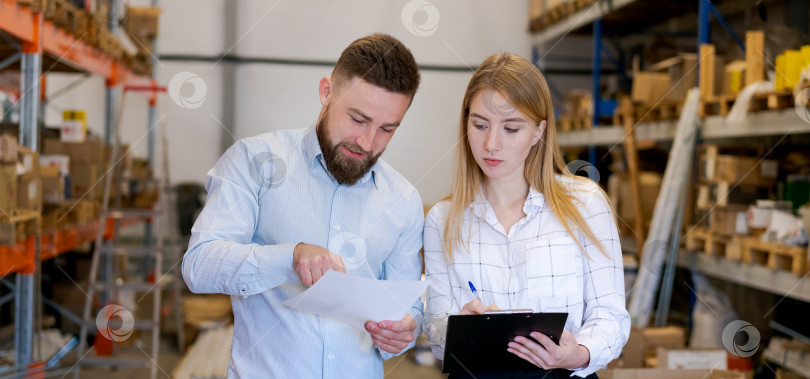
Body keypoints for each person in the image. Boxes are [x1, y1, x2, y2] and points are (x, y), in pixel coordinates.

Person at [182, 33, 425, 378]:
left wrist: (405, 330)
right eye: (358, 119)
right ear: (326, 91)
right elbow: (199, 266)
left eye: (387, 129)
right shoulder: (254, 161)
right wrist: (290, 256)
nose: (368, 142)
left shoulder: (403, 200)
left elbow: (407, 305)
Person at [423, 52, 630, 378]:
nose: (491, 144)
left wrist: (576, 354)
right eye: (479, 125)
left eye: (511, 128)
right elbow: (435, 327)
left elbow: (611, 316)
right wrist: (457, 326)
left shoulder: (585, 205)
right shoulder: (443, 219)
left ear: (538, 132)